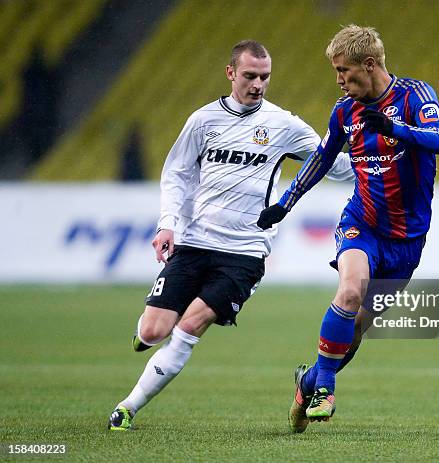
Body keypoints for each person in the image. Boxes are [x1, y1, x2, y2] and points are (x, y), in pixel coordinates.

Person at [107, 40, 354, 431]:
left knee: (188, 327)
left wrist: (381, 161)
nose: (258, 84)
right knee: (154, 331)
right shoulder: (203, 121)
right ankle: (146, 334)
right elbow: (177, 173)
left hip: (243, 251)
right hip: (194, 241)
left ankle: (126, 408)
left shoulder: (283, 125)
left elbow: (331, 164)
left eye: (265, 77)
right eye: (250, 76)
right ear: (230, 73)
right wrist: (167, 223)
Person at [257, 25, 439, 431]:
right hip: (361, 223)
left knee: (355, 332)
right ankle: (325, 389)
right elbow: (322, 158)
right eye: (336, 72)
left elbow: (438, 140)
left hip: (407, 241)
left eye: (344, 71)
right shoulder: (344, 111)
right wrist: (285, 203)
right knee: (350, 288)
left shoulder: (416, 96)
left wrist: (394, 129)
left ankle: (308, 380)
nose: (339, 80)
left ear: (370, 64)